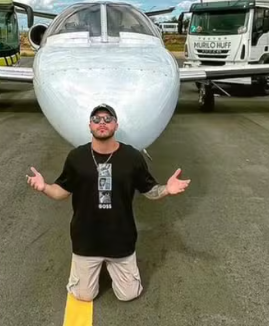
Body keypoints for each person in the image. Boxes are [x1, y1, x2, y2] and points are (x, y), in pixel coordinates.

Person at [25, 103, 190, 302]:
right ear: (89, 126)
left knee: (129, 294)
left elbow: (150, 191)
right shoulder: (77, 157)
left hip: (121, 240)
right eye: (96, 119)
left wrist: (166, 189)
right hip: (86, 241)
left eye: (107, 119)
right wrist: (45, 187)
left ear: (116, 125)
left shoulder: (132, 157)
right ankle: (90, 270)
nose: (102, 122)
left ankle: (111, 267)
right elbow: (62, 191)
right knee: (84, 296)